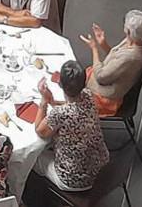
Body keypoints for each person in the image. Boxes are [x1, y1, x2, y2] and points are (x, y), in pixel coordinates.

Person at [32, 60, 109, 192]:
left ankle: (31, 196)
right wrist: (53, 102)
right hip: (99, 167)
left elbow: (40, 131)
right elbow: (72, 105)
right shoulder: (88, 95)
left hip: (73, 179)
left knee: (32, 157)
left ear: (60, 84)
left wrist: (44, 101)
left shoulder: (60, 114)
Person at [81, 9, 142, 117]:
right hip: (110, 80)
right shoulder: (137, 40)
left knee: (71, 90)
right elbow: (117, 59)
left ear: (128, 31)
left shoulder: (131, 56)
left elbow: (101, 77)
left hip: (104, 98)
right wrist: (103, 43)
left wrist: (94, 48)